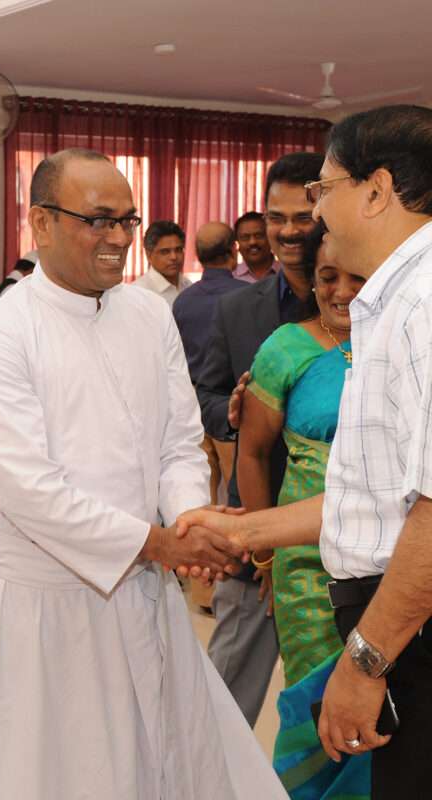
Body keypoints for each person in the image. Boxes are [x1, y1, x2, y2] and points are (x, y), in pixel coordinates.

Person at [0, 147, 288, 800]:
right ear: (41, 222)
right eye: (98, 220)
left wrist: (189, 517)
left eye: (127, 220)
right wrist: (162, 545)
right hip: (43, 610)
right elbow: (31, 494)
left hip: (142, 588)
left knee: (163, 760)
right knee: (61, 775)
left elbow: (178, 441)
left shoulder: (148, 313)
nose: (118, 238)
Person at [178, 104, 432, 800]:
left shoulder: (421, 307)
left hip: (405, 624)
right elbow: (377, 497)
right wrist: (242, 530)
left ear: (376, 191)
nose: (317, 213)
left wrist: (366, 662)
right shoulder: (394, 303)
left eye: (325, 189)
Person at [236, 225, 369, 798]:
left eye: (357, 277)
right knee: (321, 704)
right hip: (306, 564)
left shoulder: (404, 341)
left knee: (389, 703)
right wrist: (264, 554)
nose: (341, 291)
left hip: (388, 558)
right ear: (310, 281)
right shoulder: (285, 348)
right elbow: (252, 453)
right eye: (327, 277)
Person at [195, 151, 323, 726]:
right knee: (222, 703)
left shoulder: (362, 302)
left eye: (303, 216)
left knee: (325, 705)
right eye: (277, 218)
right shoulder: (236, 309)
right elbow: (205, 392)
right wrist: (232, 412)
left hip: (333, 545)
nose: (289, 231)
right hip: (253, 530)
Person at [173, 221, 247, 503]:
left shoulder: (183, 301)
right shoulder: (247, 297)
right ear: (233, 251)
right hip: (231, 406)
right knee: (237, 493)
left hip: (192, 406)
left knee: (202, 494)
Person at [133, 219, 191, 307]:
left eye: (178, 250)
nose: (174, 257)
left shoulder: (188, 285)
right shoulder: (138, 293)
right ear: (149, 255)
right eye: (165, 252)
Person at [233, 211, 278, 282]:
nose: (253, 242)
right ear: (237, 242)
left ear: (270, 238)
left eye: (259, 236)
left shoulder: (288, 274)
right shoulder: (232, 277)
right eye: (245, 237)